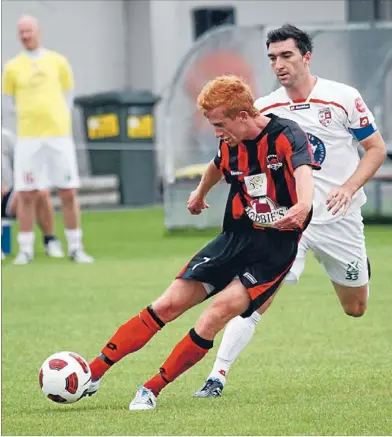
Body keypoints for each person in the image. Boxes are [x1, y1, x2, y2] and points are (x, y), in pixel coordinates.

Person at [82, 75, 319, 411]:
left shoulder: (286, 135)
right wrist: (199, 192)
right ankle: (92, 372)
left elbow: (303, 170)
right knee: (166, 304)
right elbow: (217, 165)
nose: (216, 132)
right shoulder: (230, 143)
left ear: (242, 115)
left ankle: (151, 389)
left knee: (216, 313)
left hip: (273, 252)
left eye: (219, 123)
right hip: (234, 239)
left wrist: (303, 206)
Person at [194, 24, 387, 399]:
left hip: (338, 218)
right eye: (272, 58)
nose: (279, 64)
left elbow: (376, 149)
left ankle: (358, 263)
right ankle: (217, 375)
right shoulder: (263, 108)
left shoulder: (342, 98)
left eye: (286, 55)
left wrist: (348, 188)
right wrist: (204, 191)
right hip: (287, 221)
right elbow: (228, 154)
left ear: (306, 57)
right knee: (256, 295)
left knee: (356, 307)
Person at [1, 15, 93, 265]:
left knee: (67, 191)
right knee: (27, 193)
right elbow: (8, 102)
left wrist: (57, 118)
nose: (25, 35)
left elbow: (68, 94)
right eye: (21, 32)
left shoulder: (57, 62)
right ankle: (26, 249)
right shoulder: (12, 67)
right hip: (29, 137)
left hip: (58, 136)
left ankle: (75, 246)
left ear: (37, 31)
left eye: (29, 30)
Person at [1, 128, 63, 259]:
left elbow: (21, 165)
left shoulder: (6, 137)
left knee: (40, 192)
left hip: (8, 193)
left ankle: (49, 240)